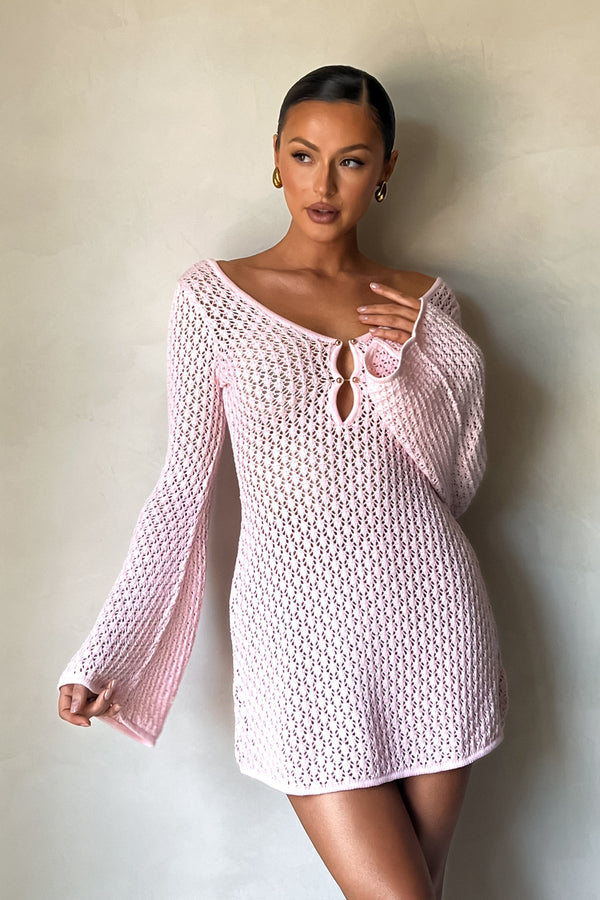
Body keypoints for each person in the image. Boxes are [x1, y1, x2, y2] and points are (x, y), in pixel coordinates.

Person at [57, 64, 507, 899]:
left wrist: (441, 356)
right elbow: (181, 490)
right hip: (298, 640)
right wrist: (110, 647)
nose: (323, 184)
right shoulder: (213, 300)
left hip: (432, 624)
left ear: (386, 169)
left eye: (351, 161)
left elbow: (455, 481)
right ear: (275, 156)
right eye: (304, 155)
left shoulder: (426, 303)